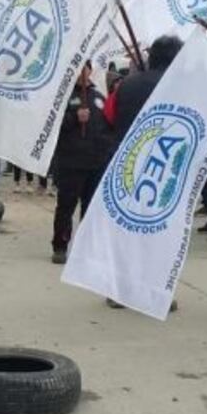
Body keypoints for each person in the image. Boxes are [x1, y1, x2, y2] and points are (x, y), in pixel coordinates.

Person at [103, 36, 184, 311]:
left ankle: (119, 291)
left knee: (126, 230)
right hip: (164, 168)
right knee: (159, 232)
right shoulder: (183, 87)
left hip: (127, 164)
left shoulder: (126, 86)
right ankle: (157, 292)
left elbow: (109, 117)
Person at [50, 61, 115, 265]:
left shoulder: (98, 97)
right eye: (78, 69)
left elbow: (108, 127)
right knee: (66, 207)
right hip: (71, 162)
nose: (82, 73)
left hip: (96, 163)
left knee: (90, 209)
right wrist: (73, 118)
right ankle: (60, 246)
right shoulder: (63, 96)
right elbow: (53, 127)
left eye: (85, 68)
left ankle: (87, 249)